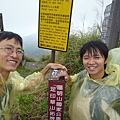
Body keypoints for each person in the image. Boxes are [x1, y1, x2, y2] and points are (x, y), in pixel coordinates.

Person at [0, 31, 67, 120]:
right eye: (8, 49)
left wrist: (47, 67)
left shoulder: (11, 78)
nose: (15, 55)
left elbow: (28, 85)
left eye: (19, 51)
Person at [57, 40, 120, 120]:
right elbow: (75, 79)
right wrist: (68, 78)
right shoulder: (84, 75)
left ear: (106, 60)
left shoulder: (114, 83)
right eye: (86, 58)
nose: (91, 62)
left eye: (97, 57)